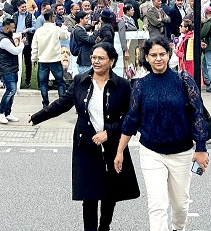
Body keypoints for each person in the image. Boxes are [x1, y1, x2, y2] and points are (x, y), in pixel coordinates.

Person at [31, 42, 139, 231]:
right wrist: (38, 116)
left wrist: (109, 132)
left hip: (112, 145)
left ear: (111, 61)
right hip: (85, 145)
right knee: (89, 195)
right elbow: (63, 103)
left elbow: (131, 118)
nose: (96, 62)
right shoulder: (81, 80)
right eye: (94, 58)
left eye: (101, 58)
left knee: (109, 193)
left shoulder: (122, 85)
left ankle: (104, 227)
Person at [114, 37, 210, 231]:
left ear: (168, 55)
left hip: (181, 152)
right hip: (151, 152)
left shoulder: (183, 80)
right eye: (153, 55)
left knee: (181, 205)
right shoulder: (140, 85)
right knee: (157, 205)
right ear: (147, 58)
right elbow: (131, 119)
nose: (158, 59)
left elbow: (197, 113)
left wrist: (201, 148)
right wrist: (120, 151)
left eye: (162, 54)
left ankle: (177, 228)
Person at [32, 9, 70, 108]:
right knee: (60, 82)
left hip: (43, 60)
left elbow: (35, 46)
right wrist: (64, 27)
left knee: (43, 83)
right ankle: (62, 102)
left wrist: (34, 58)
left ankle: (45, 103)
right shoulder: (56, 29)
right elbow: (66, 36)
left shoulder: (39, 31)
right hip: (55, 60)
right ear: (51, 18)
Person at [0, 19, 26, 124]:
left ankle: (7, 113)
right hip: (6, 69)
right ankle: (0, 112)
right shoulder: (3, 40)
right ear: (6, 27)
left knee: (12, 92)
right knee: (10, 90)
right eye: (12, 28)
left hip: (11, 68)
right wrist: (22, 44)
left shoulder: (6, 37)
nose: (14, 30)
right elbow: (15, 51)